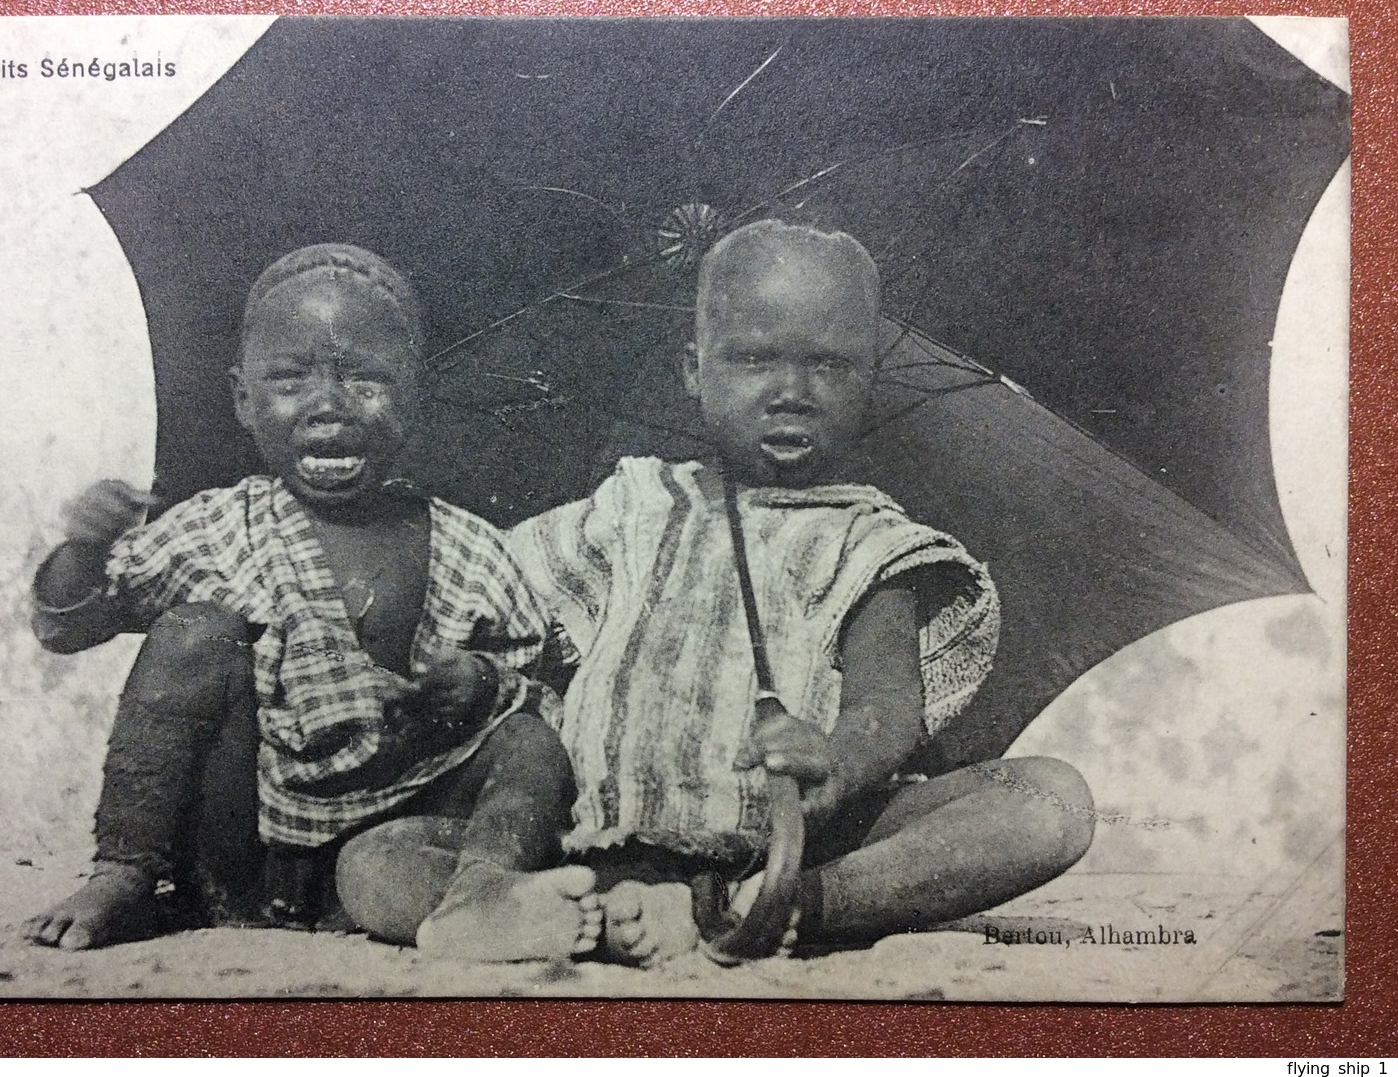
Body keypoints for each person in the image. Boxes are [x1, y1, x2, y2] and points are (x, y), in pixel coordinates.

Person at [338, 220, 1094, 964]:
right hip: (593, 835)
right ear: (695, 371)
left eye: (828, 365)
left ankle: (793, 904)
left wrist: (836, 758)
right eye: (755, 360)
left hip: (795, 842)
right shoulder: (630, 507)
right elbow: (502, 605)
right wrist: (457, 667)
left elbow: (888, 702)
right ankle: (563, 910)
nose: (791, 391)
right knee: (374, 861)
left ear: (870, 377)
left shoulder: (873, 544)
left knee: (1052, 803)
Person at [22, 244, 601, 961]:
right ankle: (124, 871)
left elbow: (541, 687)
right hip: (244, 852)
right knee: (194, 631)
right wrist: (83, 548)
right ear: (241, 398)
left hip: (395, 829)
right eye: (290, 380)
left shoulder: (470, 547)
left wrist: (478, 685)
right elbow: (71, 625)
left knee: (526, 740)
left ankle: (482, 890)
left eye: (364, 379)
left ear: (415, 395)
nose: (328, 406)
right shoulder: (220, 527)